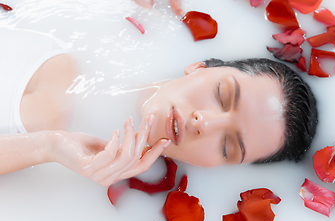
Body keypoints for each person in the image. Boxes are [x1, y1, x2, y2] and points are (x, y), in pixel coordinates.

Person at [0, 18, 317, 188]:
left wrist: (50, 149)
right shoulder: (58, 78)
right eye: (222, 95)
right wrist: (46, 146)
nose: (204, 123)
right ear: (200, 66)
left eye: (227, 147)